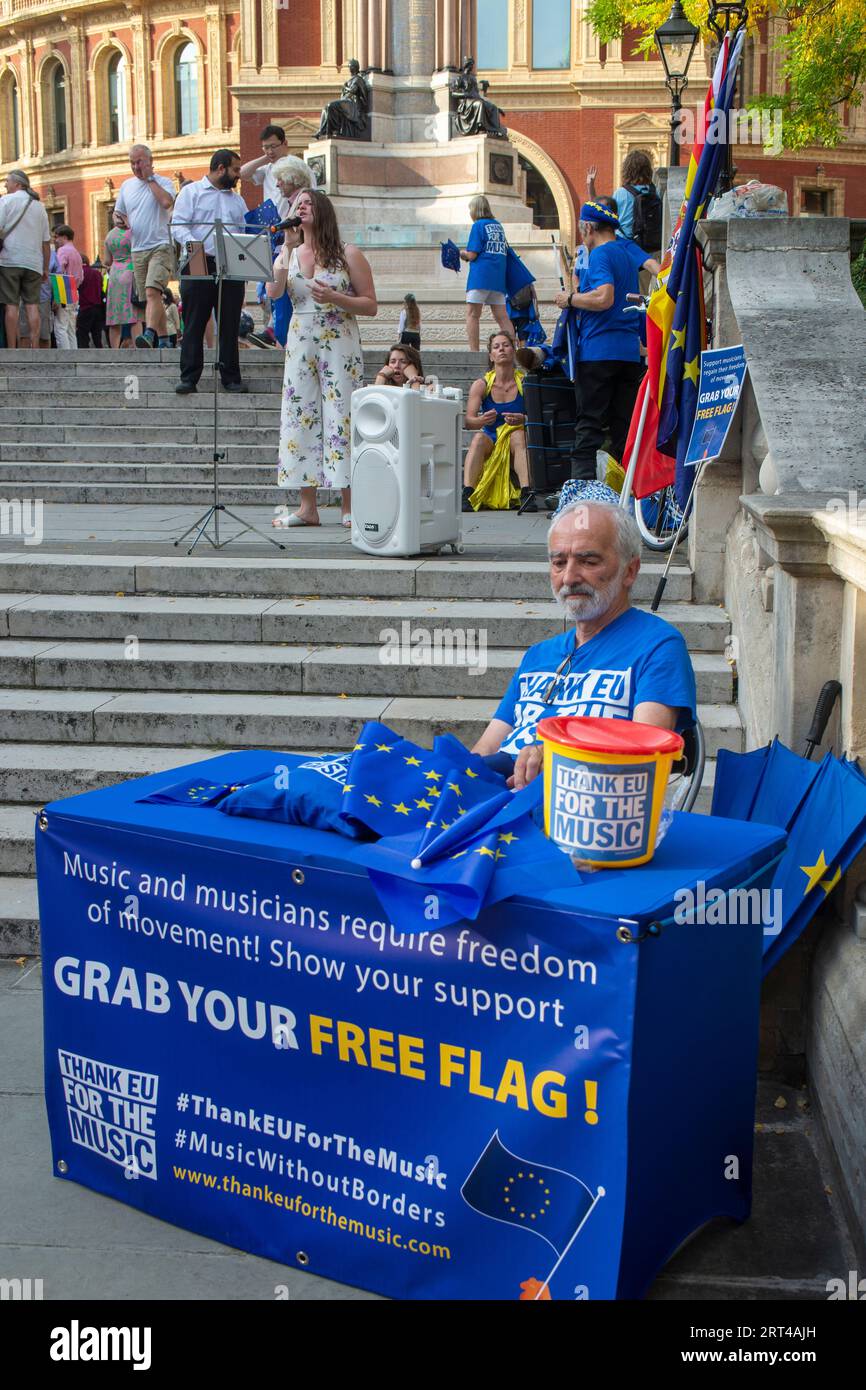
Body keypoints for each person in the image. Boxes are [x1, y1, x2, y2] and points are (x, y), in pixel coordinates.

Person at [471, 500, 697, 786]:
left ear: (630, 571)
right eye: (559, 562)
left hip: (580, 814)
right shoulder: (538, 655)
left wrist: (560, 761)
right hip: (495, 804)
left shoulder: (657, 646)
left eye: (588, 561)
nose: (569, 577)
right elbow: (486, 749)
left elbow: (644, 763)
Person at [265, 188, 376, 528]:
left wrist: (336, 297)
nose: (302, 208)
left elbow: (371, 304)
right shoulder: (290, 253)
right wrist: (285, 247)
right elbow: (274, 291)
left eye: (308, 204)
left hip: (338, 341)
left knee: (341, 415)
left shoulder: (348, 254)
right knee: (301, 414)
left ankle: (349, 504)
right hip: (300, 341)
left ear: (322, 211)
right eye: (297, 205)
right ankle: (307, 506)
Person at [553, 202, 647, 482]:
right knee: (623, 428)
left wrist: (570, 299)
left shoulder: (600, 254)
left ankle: (580, 492)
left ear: (589, 227)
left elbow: (604, 297)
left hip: (598, 352)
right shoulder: (627, 255)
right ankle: (623, 493)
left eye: (583, 228)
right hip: (628, 353)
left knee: (589, 424)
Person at [171, 149, 250, 395]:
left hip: (230, 263)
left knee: (229, 321)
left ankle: (231, 377)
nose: (238, 175)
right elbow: (179, 225)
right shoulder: (191, 192)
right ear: (220, 168)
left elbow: (244, 231)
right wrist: (197, 247)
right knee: (194, 320)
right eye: (235, 169)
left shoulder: (237, 200)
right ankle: (189, 377)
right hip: (196, 258)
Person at [462, 331, 533, 513]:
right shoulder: (481, 384)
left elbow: (538, 418)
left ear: (514, 351)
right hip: (491, 437)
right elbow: (469, 421)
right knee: (478, 438)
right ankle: (467, 494)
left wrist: (523, 419)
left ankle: (527, 493)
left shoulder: (525, 382)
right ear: (491, 356)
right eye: (496, 346)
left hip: (515, 439)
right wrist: (481, 420)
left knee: (519, 435)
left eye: (506, 345)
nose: (501, 349)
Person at [114, 144, 176, 349]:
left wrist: (150, 179)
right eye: (132, 162)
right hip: (137, 248)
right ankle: (165, 339)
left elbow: (167, 202)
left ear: (150, 161)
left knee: (152, 291)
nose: (135, 167)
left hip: (160, 245)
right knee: (151, 297)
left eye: (139, 162)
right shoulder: (126, 186)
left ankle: (149, 334)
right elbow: (119, 212)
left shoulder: (164, 182)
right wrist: (119, 220)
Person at [267, 155, 316, 347]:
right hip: (287, 262)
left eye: (281, 179)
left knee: (287, 318)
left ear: (292, 178)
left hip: (297, 266)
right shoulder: (290, 204)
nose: (278, 184)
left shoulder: (303, 202)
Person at [0, 170, 51, 350]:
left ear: (18, 184)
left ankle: (13, 348)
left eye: (8, 181)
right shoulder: (40, 207)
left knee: (11, 305)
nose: (5, 185)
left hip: (9, 260)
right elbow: (46, 242)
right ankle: (34, 346)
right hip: (34, 263)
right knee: (32, 305)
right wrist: (45, 267)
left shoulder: (5, 201)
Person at [459, 195, 514, 353]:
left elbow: (472, 255)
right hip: (498, 279)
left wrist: (462, 254)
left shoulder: (478, 226)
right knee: (502, 317)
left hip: (480, 277)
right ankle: (512, 351)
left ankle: (474, 353)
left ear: (475, 210)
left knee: (472, 314)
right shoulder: (498, 226)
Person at [240, 124, 295, 220]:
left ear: (285, 143)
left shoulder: (296, 166)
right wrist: (266, 158)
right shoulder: (267, 169)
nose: (270, 151)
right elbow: (242, 173)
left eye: (273, 146)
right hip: (270, 224)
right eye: (266, 147)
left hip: (289, 222)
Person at [103, 210, 140, 348]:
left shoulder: (109, 235)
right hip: (131, 271)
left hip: (115, 275)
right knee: (134, 316)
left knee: (114, 317)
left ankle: (114, 351)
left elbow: (107, 260)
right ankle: (137, 349)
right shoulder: (133, 232)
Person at [451, 57, 507, 138]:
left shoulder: (473, 78)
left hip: (476, 99)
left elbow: (477, 94)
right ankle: (479, 127)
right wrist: (465, 95)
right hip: (467, 102)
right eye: (470, 65)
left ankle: (495, 130)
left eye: (472, 65)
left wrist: (494, 107)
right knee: (480, 104)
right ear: (466, 65)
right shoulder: (460, 78)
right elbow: (453, 93)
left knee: (493, 107)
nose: (472, 67)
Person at [316, 60, 369, 140]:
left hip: (352, 104)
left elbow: (352, 91)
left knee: (331, 106)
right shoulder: (350, 80)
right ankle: (322, 131)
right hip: (346, 102)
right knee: (326, 108)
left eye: (351, 66)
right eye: (350, 66)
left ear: (356, 68)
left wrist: (345, 87)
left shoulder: (357, 79)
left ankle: (333, 130)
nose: (350, 68)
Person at [53, 225, 85, 350]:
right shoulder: (77, 253)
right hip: (74, 290)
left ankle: (65, 358)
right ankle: (74, 355)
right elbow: (81, 277)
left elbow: (59, 272)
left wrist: (57, 296)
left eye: (57, 237)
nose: (56, 240)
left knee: (60, 327)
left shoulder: (63, 251)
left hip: (64, 288)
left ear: (64, 237)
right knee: (71, 328)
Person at [76, 257, 106, 348]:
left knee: (82, 335)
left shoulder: (80, 273)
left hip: (85, 307)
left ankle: (84, 356)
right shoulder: (97, 273)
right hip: (98, 308)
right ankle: (100, 356)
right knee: (97, 336)